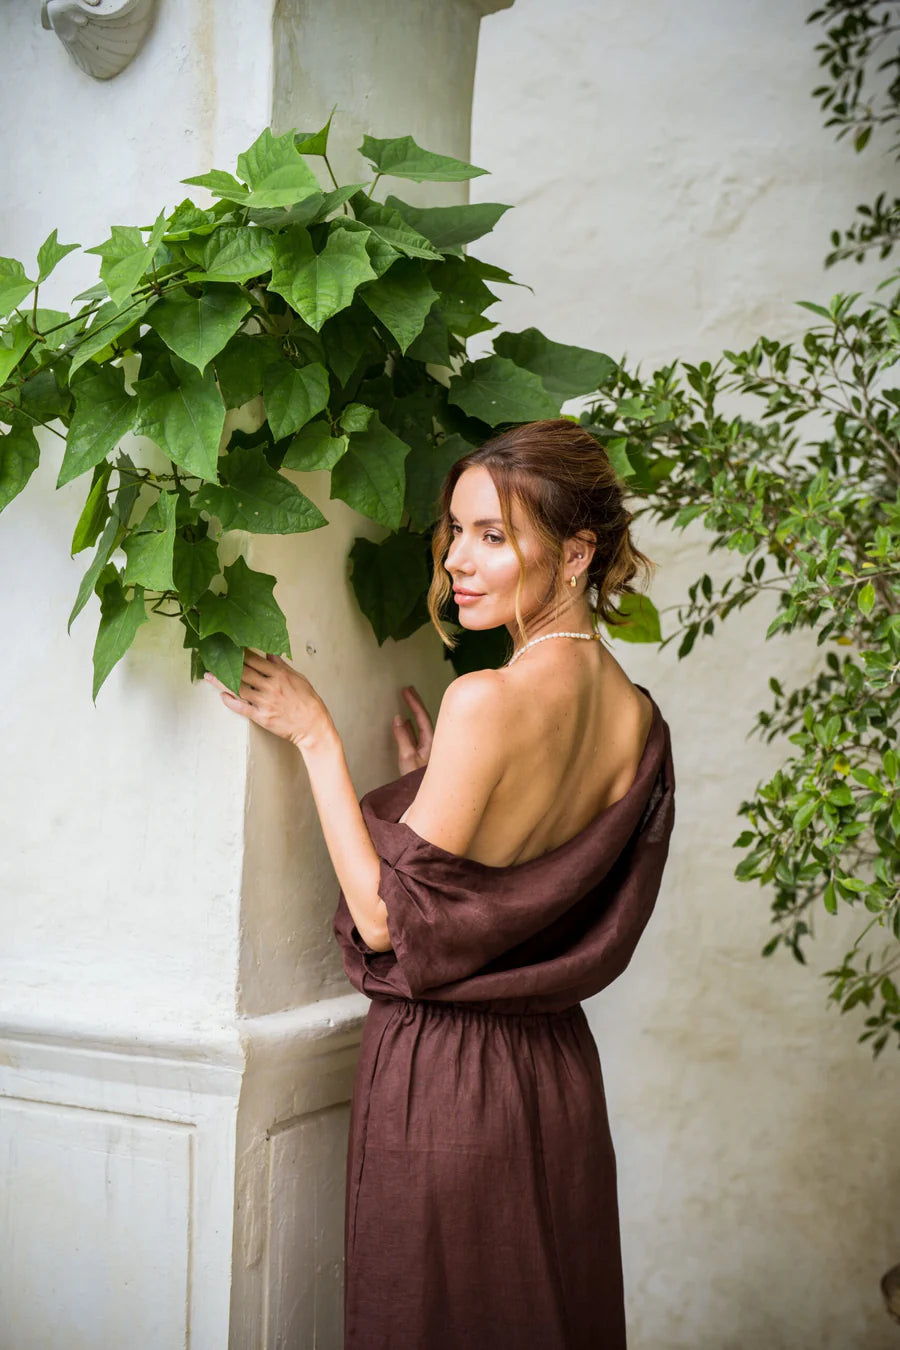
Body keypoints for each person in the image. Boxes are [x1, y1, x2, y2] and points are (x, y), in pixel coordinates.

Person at [205, 418, 676, 1349]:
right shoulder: (638, 718)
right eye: (457, 530)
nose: (458, 559)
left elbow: (389, 922)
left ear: (576, 553)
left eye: (493, 536)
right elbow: (519, 872)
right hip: (558, 1078)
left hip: (449, 1078)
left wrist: (316, 736)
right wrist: (439, 784)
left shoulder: (485, 700)